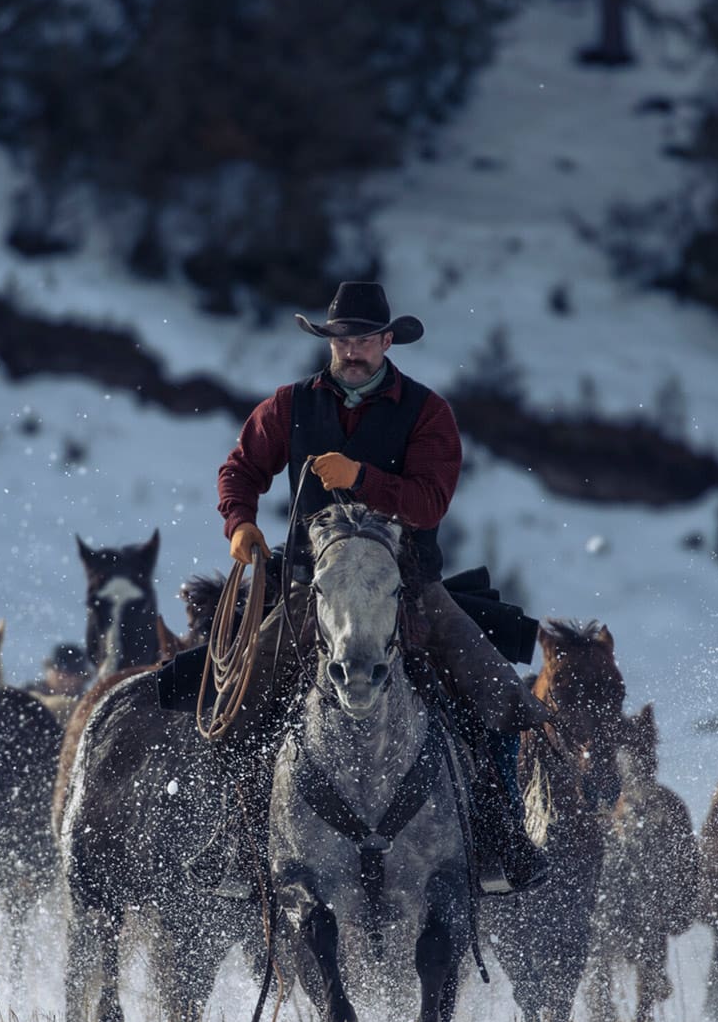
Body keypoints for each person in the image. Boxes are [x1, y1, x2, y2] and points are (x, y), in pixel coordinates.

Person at [200, 281, 552, 900]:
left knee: (499, 696)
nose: (352, 350)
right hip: (314, 587)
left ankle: (503, 836)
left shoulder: (427, 412)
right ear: (329, 343)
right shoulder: (290, 406)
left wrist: (362, 477)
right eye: (343, 339)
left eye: (364, 338)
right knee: (240, 698)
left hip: (411, 591)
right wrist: (241, 522)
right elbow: (241, 467)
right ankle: (237, 839)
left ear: (388, 342)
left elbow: (429, 501)